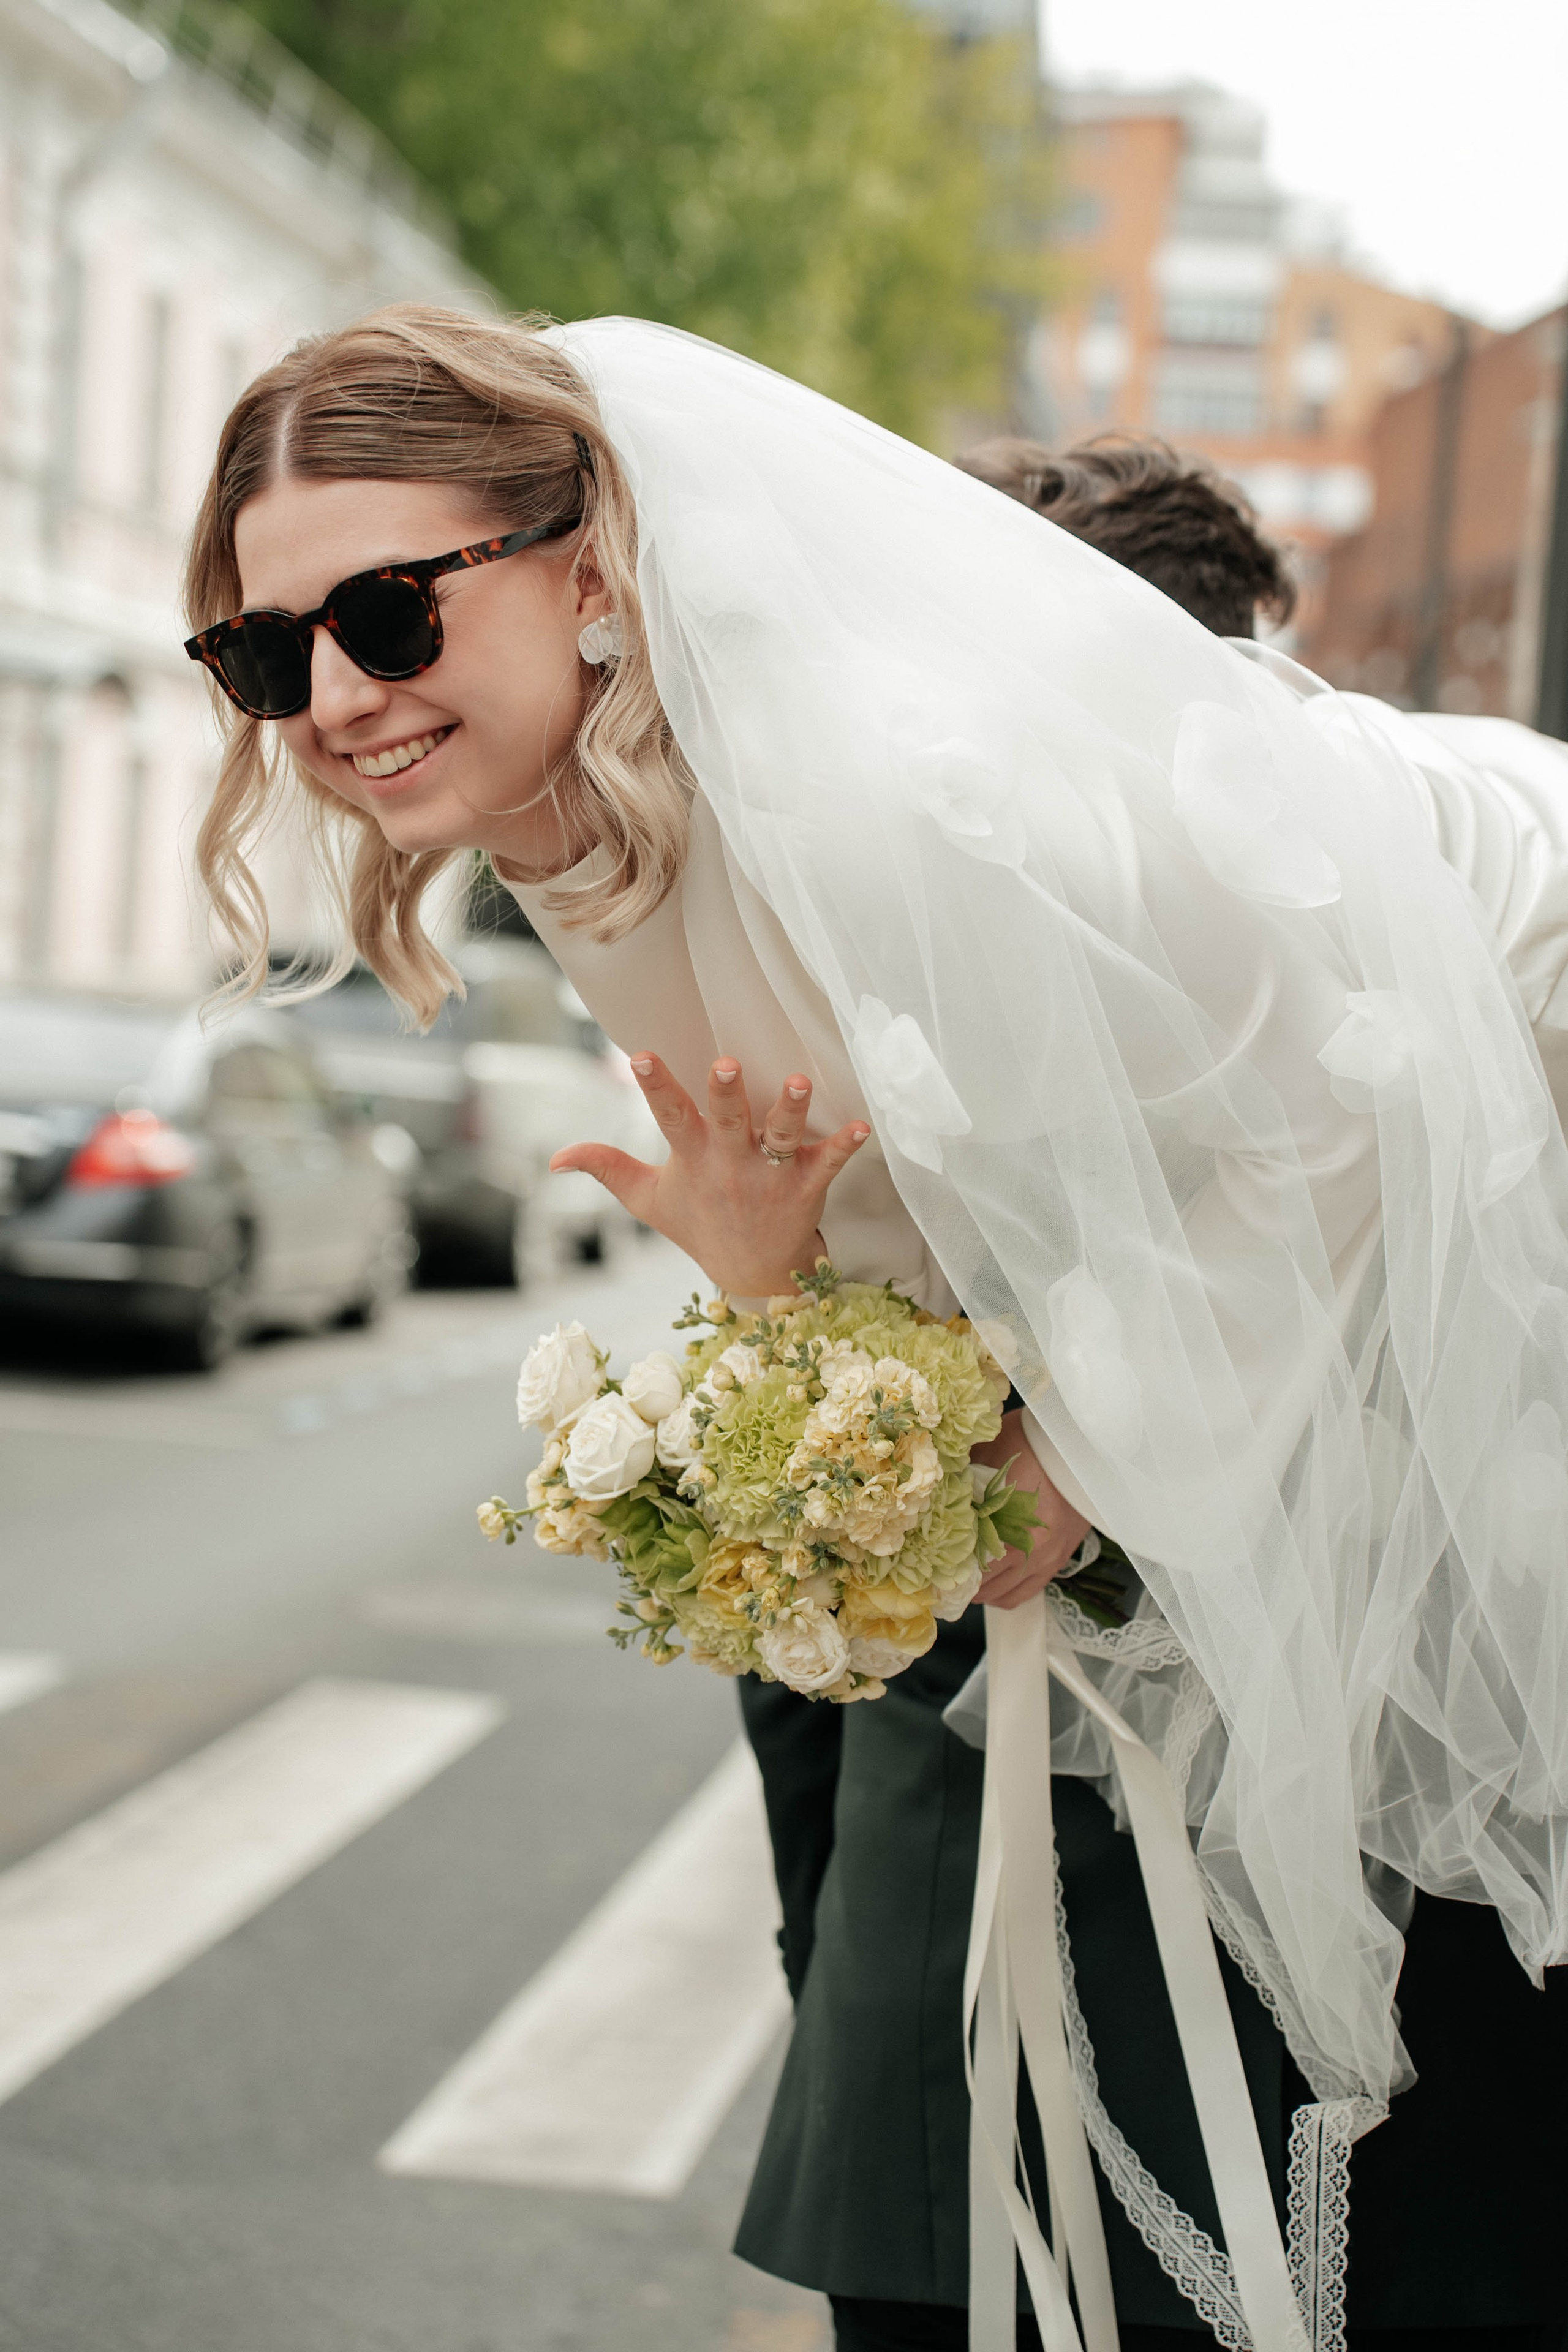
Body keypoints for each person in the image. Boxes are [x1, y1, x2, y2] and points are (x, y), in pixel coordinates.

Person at [183, 309, 1568, 2352]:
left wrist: (1077, 1457)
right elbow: (961, 1188)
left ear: (590, 566)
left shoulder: (878, 798)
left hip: (1505, 1049)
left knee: (1389, 1760)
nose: (330, 699)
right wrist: (776, 1282)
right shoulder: (566, 805)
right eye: (260, 653)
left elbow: (1342, 1090)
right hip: (1296, 1178)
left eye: (386, 614)